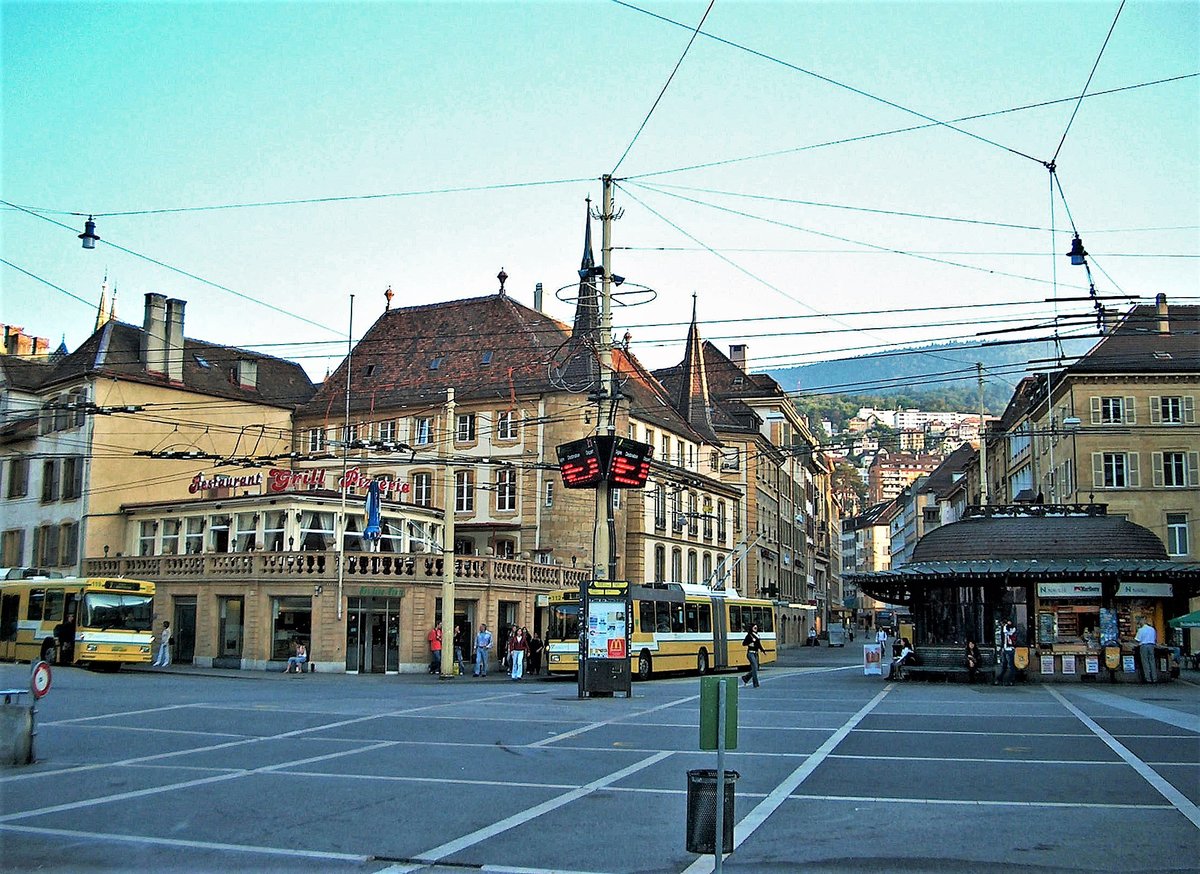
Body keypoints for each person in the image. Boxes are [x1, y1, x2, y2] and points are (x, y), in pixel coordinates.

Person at [741, 623, 765, 687]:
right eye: (754, 627)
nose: (756, 629)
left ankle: (746, 678)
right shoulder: (749, 635)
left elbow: (758, 644)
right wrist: (751, 641)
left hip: (756, 653)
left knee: (755, 668)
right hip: (750, 653)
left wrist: (762, 650)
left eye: (756, 628)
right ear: (752, 628)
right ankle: (756, 684)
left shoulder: (757, 635)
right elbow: (744, 643)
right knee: (754, 667)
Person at [996, 619, 1016, 686]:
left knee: (1010, 665)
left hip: (1009, 648)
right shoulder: (1008, 628)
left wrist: (1007, 625)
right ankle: (1001, 678)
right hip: (1006, 648)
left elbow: (1008, 633)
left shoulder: (1009, 628)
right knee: (1005, 665)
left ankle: (1010, 680)